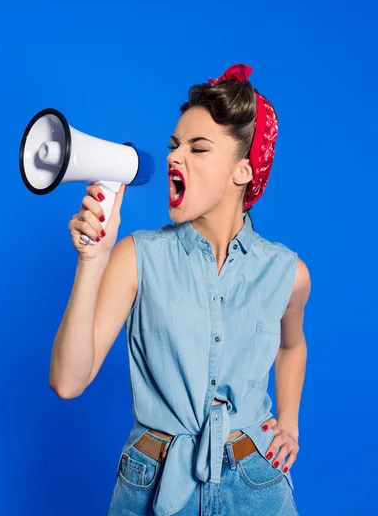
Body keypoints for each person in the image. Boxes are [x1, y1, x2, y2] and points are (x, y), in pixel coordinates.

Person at [49, 63, 311, 516]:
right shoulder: (137, 257)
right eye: (174, 145)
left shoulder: (287, 272)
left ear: (243, 172)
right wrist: (92, 260)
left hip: (256, 483)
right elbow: (68, 382)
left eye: (198, 147)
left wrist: (289, 423)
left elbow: (293, 346)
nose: (175, 156)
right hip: (152, 484)